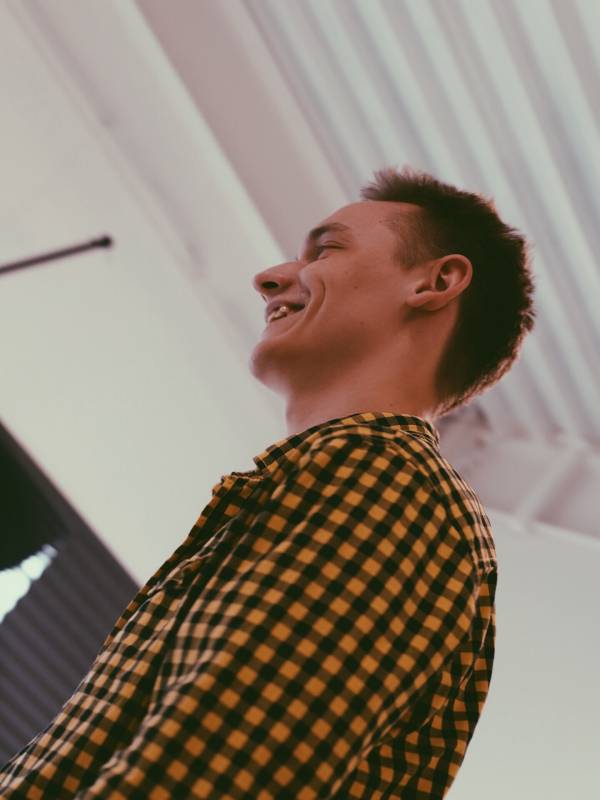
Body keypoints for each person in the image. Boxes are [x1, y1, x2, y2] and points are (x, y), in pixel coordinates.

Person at [0, 166, 535, 798]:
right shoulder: (338, 484)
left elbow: (206, 778)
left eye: (326, 250)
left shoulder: (391, 485)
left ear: (435, 282)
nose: (269, 277)